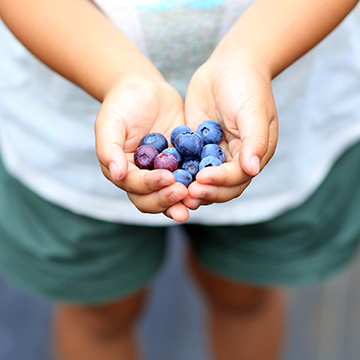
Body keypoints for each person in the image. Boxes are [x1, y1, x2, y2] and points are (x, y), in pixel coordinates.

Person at [0, 0, 360, 359]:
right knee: (98, 308)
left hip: (266, 112)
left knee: (245, 293)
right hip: (71, 133)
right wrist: (119, 76)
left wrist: (252, 55)